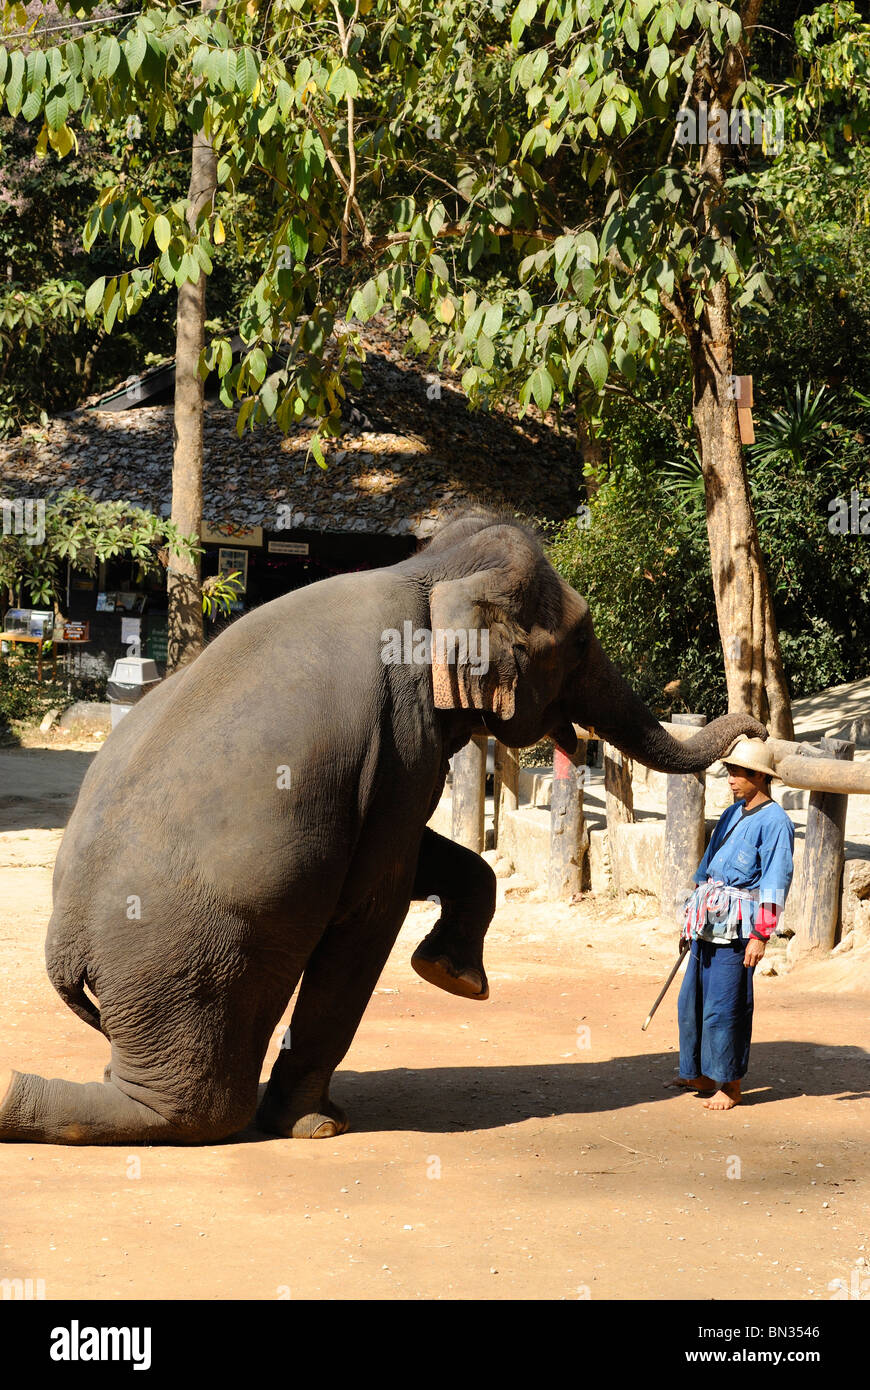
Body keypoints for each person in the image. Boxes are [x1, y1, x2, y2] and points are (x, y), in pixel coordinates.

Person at [667, 736, 795, 1111]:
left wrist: (761, 935)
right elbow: (706, 869)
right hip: (707, 924)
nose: (731, 780)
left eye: (738, 773)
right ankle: (699, 1072)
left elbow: (775, 882)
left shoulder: (775, 823)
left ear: (759, 776)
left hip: (739, 931)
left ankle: (730, 1084)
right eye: (730, 773)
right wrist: (688, 919)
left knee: (726, 1007)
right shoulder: (730, 814)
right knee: (691, 1002)